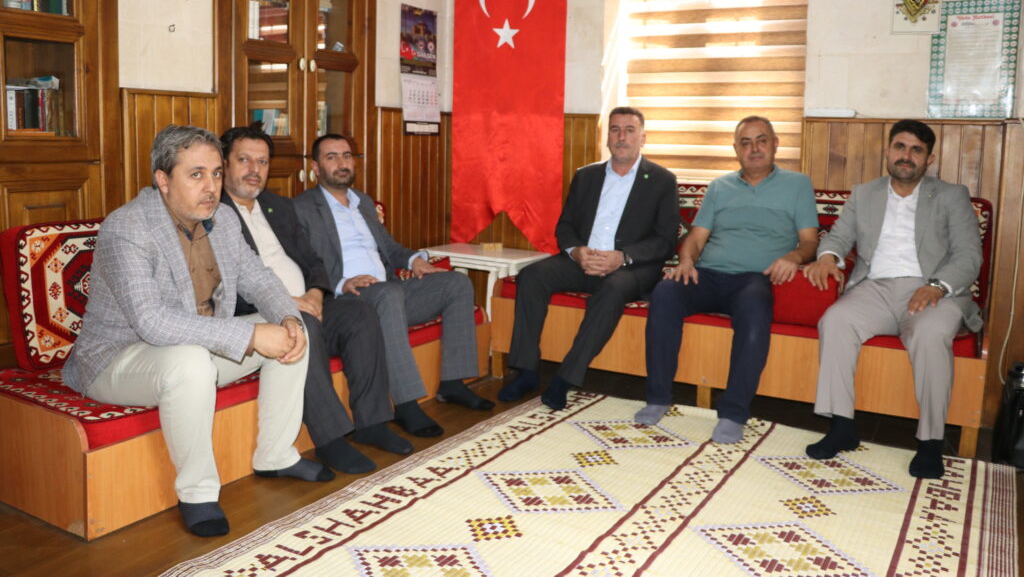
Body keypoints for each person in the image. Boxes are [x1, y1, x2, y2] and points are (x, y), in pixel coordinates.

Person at [63, 125, 331, 538]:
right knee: (191, 362)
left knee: (294, 332)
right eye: (196, 175)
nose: (211, 187)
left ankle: (276, 454)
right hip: (118, 359)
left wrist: (287, 318)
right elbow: (151, 321)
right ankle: (197, 492)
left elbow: (258, 278)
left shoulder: (222, 217)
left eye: (217, 173)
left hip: (197, 348)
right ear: (163, 180)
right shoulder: (128, 227)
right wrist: (249, 337)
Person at [219, 126, 413, 475]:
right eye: (244, 160)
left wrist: (316, 293)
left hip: (307, 303)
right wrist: (287, 303)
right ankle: (330, 439)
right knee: (303, 326)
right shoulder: (214, 213)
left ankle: (372, 422)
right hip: (262, 312)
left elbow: (312, 261)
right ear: (224, 163)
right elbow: (224, 284)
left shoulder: (278, 206)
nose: (254, 170)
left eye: (262, 162)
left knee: (359, 312)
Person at [803, 119, 982, 479]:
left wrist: (937, 285)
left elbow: (968, 255)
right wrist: (828, 257)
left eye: (917, 150)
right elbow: (838, 237)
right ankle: (842, 426)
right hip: (875, 288)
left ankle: (930, 442)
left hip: (931, 291)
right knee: (835, 320)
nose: (906, 155)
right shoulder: (864, 193)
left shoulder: (951, 195)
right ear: (888, 151)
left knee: (931, 334)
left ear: (929, 159)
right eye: (900, 146)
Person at [293, 134, 493, 438]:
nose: (342, 163)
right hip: (349, 300)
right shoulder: (302, 208)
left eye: (346, 155)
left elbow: (388, 247)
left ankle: (453, 383)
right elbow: (302, 262)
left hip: (390, 291)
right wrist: (342, 283)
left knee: (456, 283)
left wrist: (414, 260)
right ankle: (405, 403)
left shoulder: (363, 202)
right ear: (316, 167)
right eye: (331, 157)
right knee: (388, 294)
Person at [637, 116, 819, 443]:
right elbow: (696, 237)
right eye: (745, 143)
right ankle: (658, 397)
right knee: (665, 293)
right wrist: (687, 261)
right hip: (708, 275)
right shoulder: (720, 187)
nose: (754, 148)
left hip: (755, 279)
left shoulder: (797, 185)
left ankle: (733, 412)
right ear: (736, 149)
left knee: (755, 307)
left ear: (775, 144)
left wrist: (793, 257)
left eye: (761, 140)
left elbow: (809, 241)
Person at [498, 106, 679, 410]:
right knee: (531, 276)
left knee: (612, 289)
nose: (621, 137)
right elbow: (565, 227)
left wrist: (622, 257)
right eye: (615, 130)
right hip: (582, 260)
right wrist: (577, 251)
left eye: (629, 130)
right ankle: (526, 370)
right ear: (607, 136)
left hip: (629, 269)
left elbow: (665, 240)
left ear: (643, 138)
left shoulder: (661, 180)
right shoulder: (587, 176)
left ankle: (565, 378)